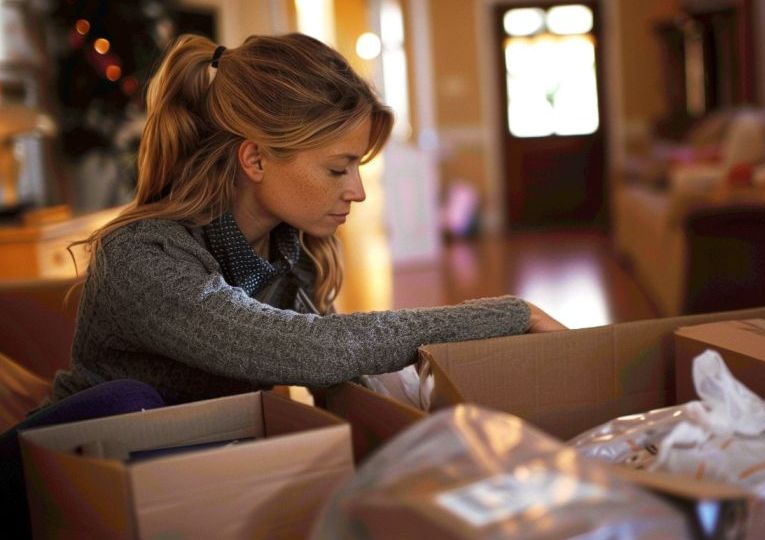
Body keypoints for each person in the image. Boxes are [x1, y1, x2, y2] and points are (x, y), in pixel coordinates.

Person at [48, 33, 566, 407]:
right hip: (62, 470)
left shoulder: (291, 256)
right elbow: (305, 348)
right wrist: (508, 315)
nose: (358, 192)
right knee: (126, 398)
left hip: (184, 482)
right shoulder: (143, 258)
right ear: (254, 160)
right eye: (338, 168)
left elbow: (338, 374)